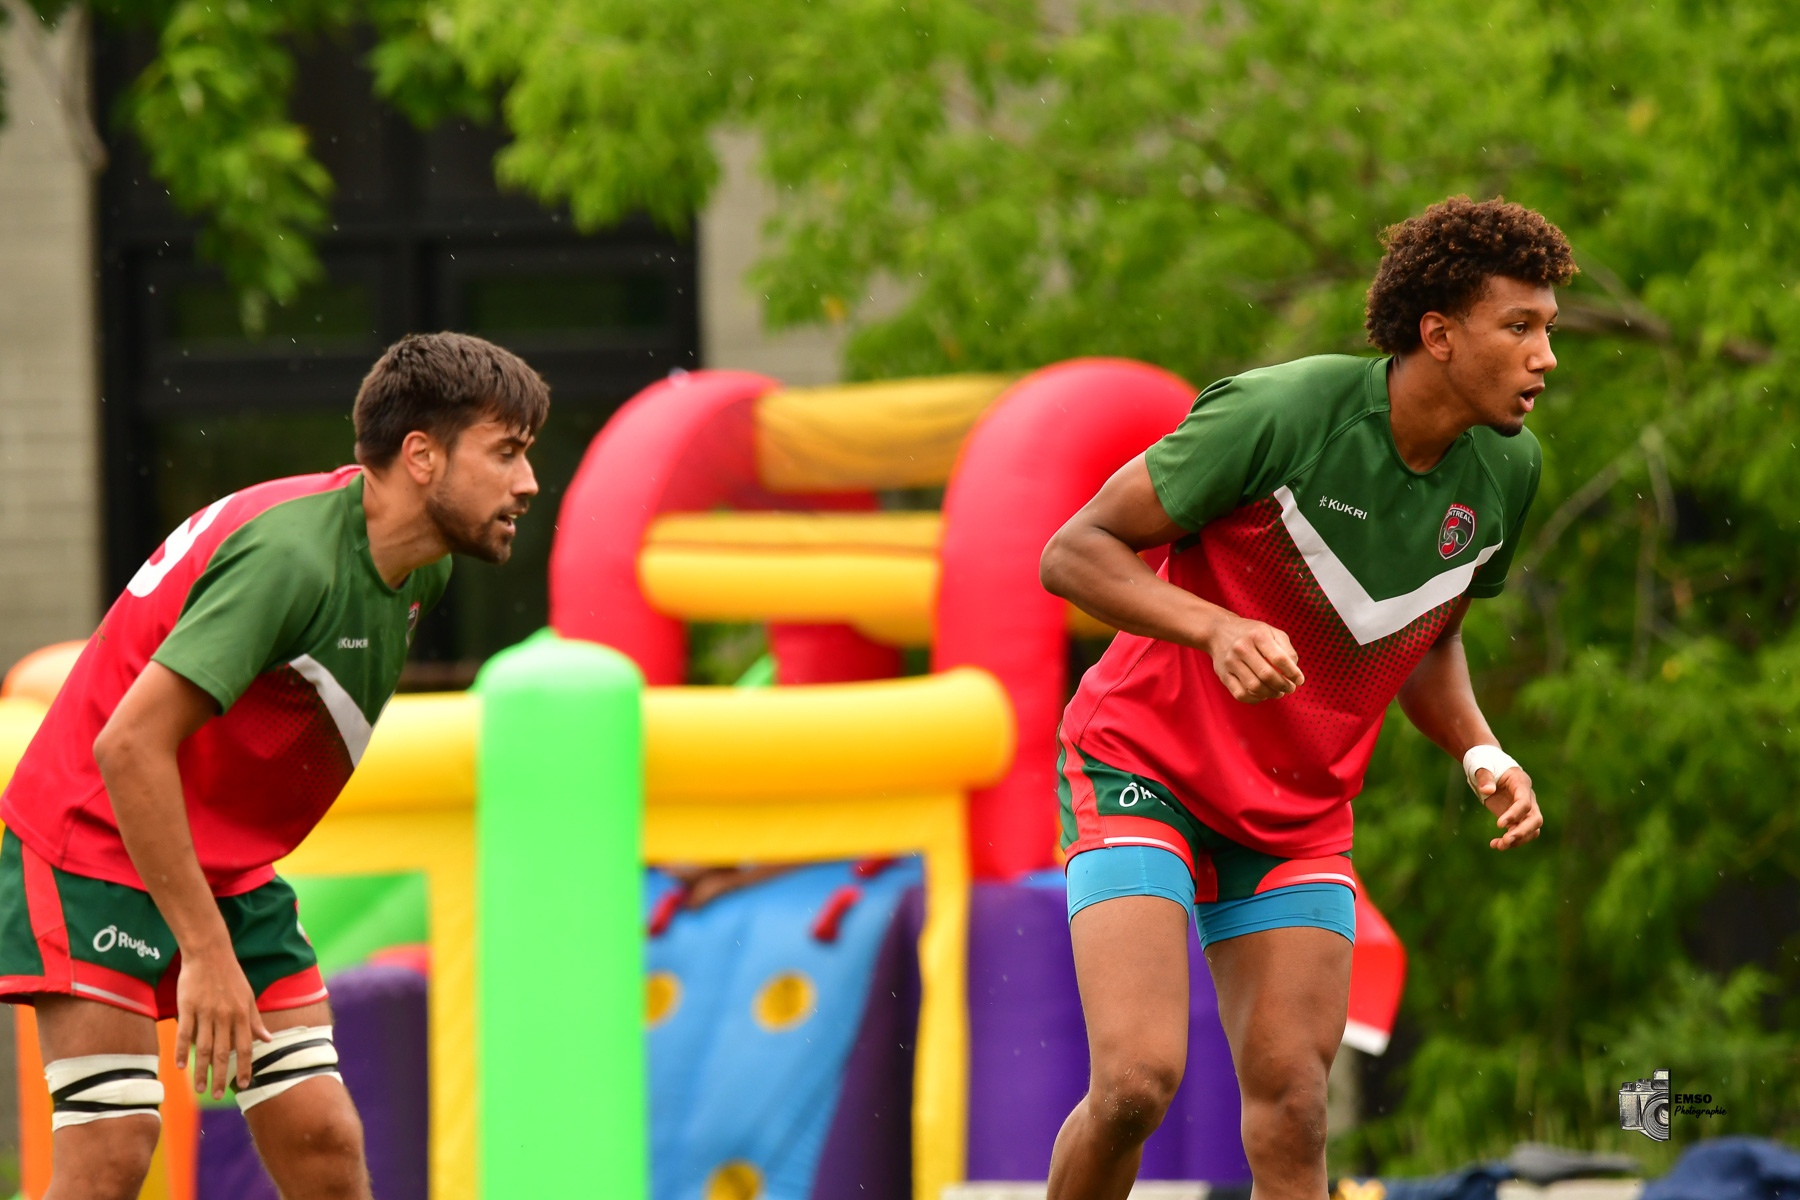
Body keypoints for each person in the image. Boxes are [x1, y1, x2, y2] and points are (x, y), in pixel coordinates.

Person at [1039, 196, 1570, 1200]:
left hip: (1297, 810)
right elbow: (1073, 552)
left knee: (1295, 1110)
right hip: (1143, 767)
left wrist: (1480, 749)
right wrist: (1215, 627)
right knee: (1137, 1085)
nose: (1545, 356)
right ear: (1439, 335)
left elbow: (1428, 636)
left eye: (1549, 329)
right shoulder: (1283, 413)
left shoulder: (1508, 469)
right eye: (1520, 327)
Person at [0, 332, 547, 1199]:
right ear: (421, 457)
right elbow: (126, 747)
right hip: (90, 842)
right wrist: (207, 950)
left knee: (324, 1144)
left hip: (223, 865)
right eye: (507, 452)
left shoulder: (421, 571)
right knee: (114, 1149)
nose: (528, 482)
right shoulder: (290, 561)